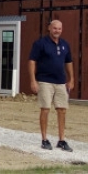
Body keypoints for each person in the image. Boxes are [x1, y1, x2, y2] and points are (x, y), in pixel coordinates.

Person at [28, 19, 74, 152]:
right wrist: (33, 80)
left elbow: (69, 62)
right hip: (44, 81)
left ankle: (61, 139)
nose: (57, 31)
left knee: (62, 109)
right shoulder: (40, 43)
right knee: (45, 109)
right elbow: (32, 61)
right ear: (49, 28)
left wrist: (71, 79)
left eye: (59, 28)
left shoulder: (65, 44)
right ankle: (44, 139)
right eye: (54, 28)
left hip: (61, 81)